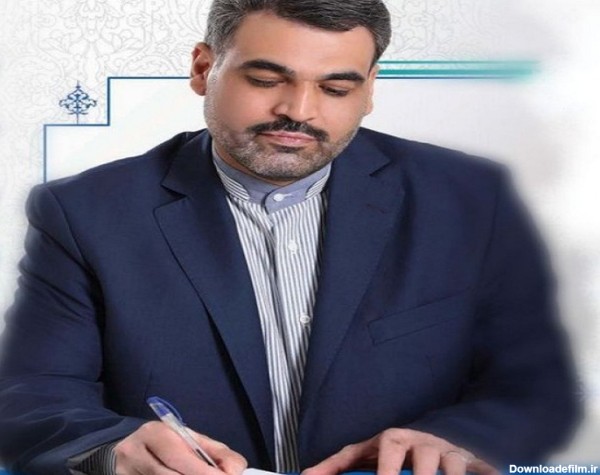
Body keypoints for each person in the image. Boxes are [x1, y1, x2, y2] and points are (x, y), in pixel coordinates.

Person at [0, 1, 579, 474]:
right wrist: (113, 450)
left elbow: (536, 387)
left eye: (336, 88)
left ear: (370, 89)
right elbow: (32, 396)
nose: (298, 111)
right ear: (203, 68)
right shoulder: (82, 213)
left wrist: (453, 438)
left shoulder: (471, 197)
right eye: (266, 79)